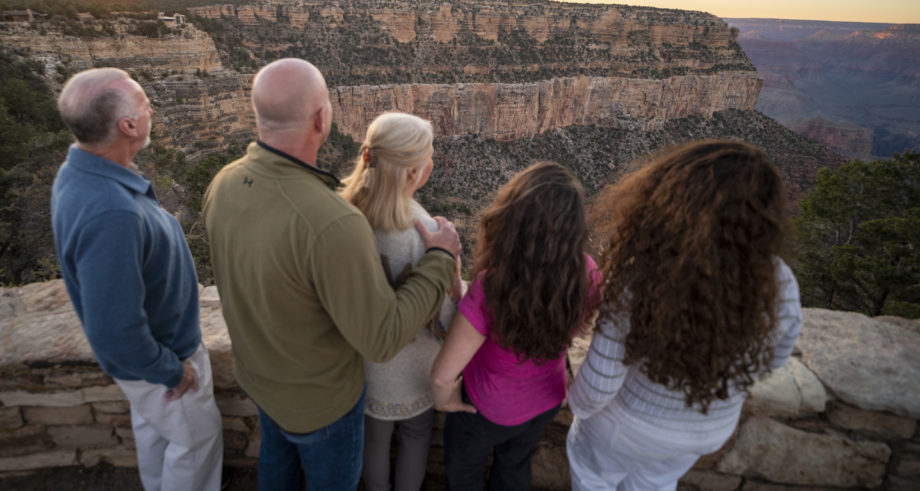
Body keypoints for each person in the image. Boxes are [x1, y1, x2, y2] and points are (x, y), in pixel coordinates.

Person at [202, 58, 461, 491]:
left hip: (261, 381)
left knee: (277, 471)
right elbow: (381, 339)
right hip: (320, 401)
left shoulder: (224, 182)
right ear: (322, 119)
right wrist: (439, 259)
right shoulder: (332, 222)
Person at [566, 140, 803, 491]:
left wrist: (575, 407)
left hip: (626, 428)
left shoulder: (641, 276)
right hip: (706, 430)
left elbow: (599, 385)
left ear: (675, 202)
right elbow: (774, 358)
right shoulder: (778, 280)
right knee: (655, 484)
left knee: (592, 477)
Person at [50, 67, 223, 491]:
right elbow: (113, 325)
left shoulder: (82, 174)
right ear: (128, 126)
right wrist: (169, 370)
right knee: (195, 446)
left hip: (148, 362)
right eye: (145, 105)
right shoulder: (112, 212)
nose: (152, 111)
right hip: (165, 357)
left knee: (157, 437)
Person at [431, 162, 602, 491]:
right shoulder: (588, 271)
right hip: (545, 401)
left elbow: (441, 377)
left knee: (464, 473)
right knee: (514, 469)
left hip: (485, 409)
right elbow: (578, 326)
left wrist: (446, 402)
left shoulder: (493, 285)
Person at [340, 112, 463, 491]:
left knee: (374, 441)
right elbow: (447, 316)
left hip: (367, 366)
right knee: (416, 436)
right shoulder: (426, 233)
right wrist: (453, 265)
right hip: (415, 369)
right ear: (413, 173)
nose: (432, 163)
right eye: (429, 156)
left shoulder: (346, 217)